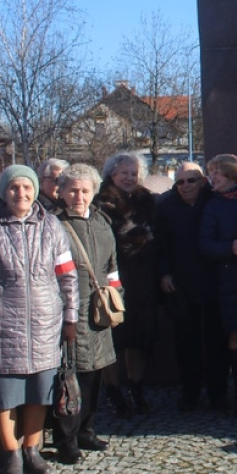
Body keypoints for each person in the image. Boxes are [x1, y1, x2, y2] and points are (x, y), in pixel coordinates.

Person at [0, 165, 78, 474]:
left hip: (45, 323)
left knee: (40, 391)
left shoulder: (52, 226)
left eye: (26, 187)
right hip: (2, 324)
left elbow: (67, 276)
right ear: (4, 192)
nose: (21, 194)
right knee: (4, 395)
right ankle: (11, 452)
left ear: (35, 190)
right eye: (13, 188)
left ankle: (31, 447)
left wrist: (71, 316)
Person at [51, 164, 120, 464]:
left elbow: (112, 267)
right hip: (67, 312)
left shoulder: (103, 223)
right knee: (68, 379)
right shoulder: (54, 225)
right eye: (73, 190)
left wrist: (118, 298)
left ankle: (86, 429)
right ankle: (65, 439)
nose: (79, 196)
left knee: (94, 373)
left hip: (98, 312)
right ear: (62, 192)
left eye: (85, 190)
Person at [155, 162, 226, 412]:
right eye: (180, 182)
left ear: (203, 181)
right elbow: (161, 246)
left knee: (217, 343)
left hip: (213, 283)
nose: (185, 186)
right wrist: (164, 273)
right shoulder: (166, 208)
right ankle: (190, 393)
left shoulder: (214, 203)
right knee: (187, 344)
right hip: (182, 286)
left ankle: (218, 393)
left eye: (191, 180)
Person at [94, 153, 159, 417]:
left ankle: (136, 387)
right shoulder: (101, 203)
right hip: (114, 276)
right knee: (114, 339)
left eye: (134, 173)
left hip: (144, 278)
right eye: (124, 173)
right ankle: (113, 391)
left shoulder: (147, 201)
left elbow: (158, 238)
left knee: (139, 339)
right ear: (112, 174)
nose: (130, 178)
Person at [198, 154, 237, 416]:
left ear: (234, 176)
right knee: (235, 332)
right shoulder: (213, 206)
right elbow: (204, 244)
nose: (211, 179)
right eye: (211, 174)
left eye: (217, 175)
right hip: (228, 279)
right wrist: (229, 248)